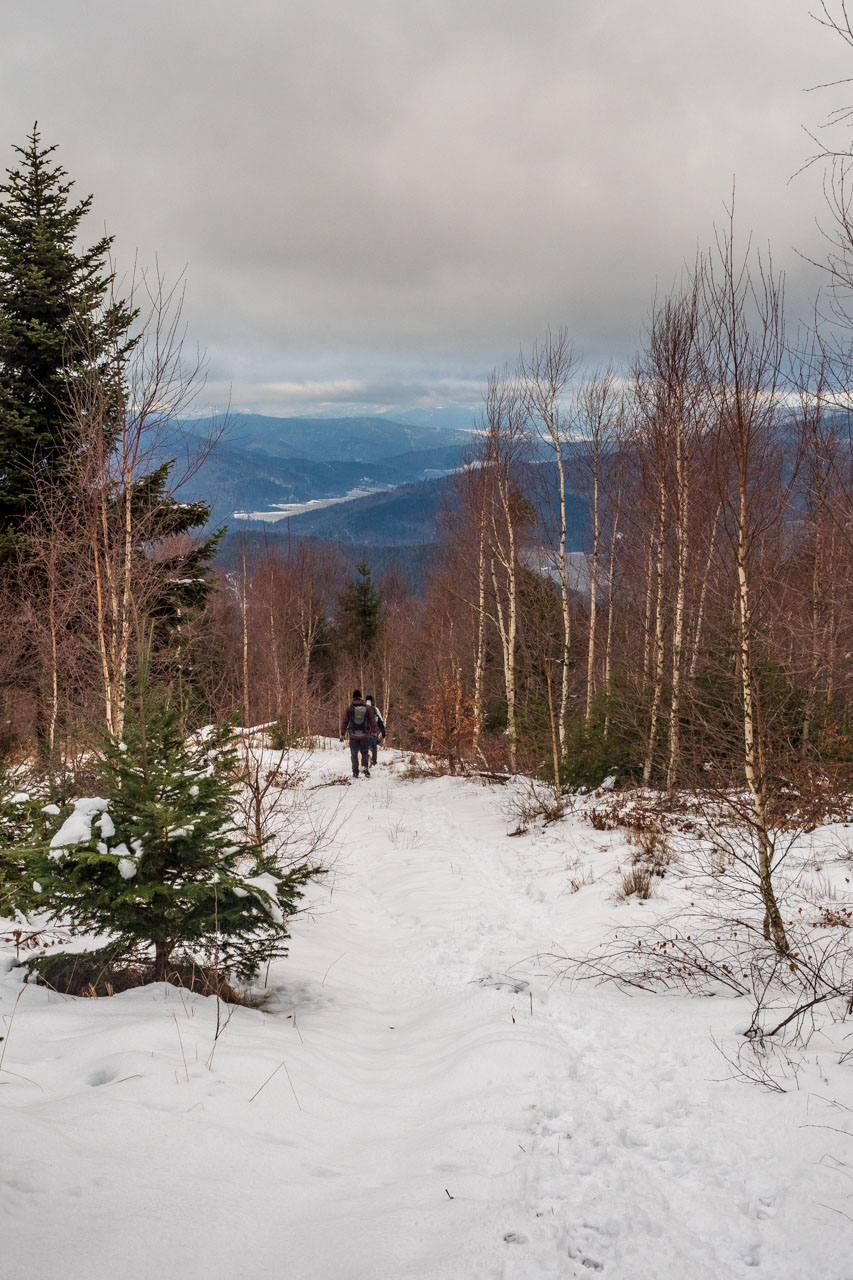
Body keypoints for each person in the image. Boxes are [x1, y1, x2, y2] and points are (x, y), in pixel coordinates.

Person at [340, 688, 378, 779]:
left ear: (353, 697)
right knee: (364, 752)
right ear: (361, 697)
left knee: (354, 754)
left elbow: (345, 722)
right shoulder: (367, 708)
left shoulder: (349, 708)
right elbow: (372, 720)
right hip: (364, 734)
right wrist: (374, 732)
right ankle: (365, 767)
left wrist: (342, 734)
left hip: (353, 735)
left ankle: (355, 772)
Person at [365, 694, 386, 767]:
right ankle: (374, 761)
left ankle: (365, 760)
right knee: (373, 746)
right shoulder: (375, 709)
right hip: (373, 732)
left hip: (363, 732)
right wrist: (383, 732)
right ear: (372, 701)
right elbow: (380, 721)